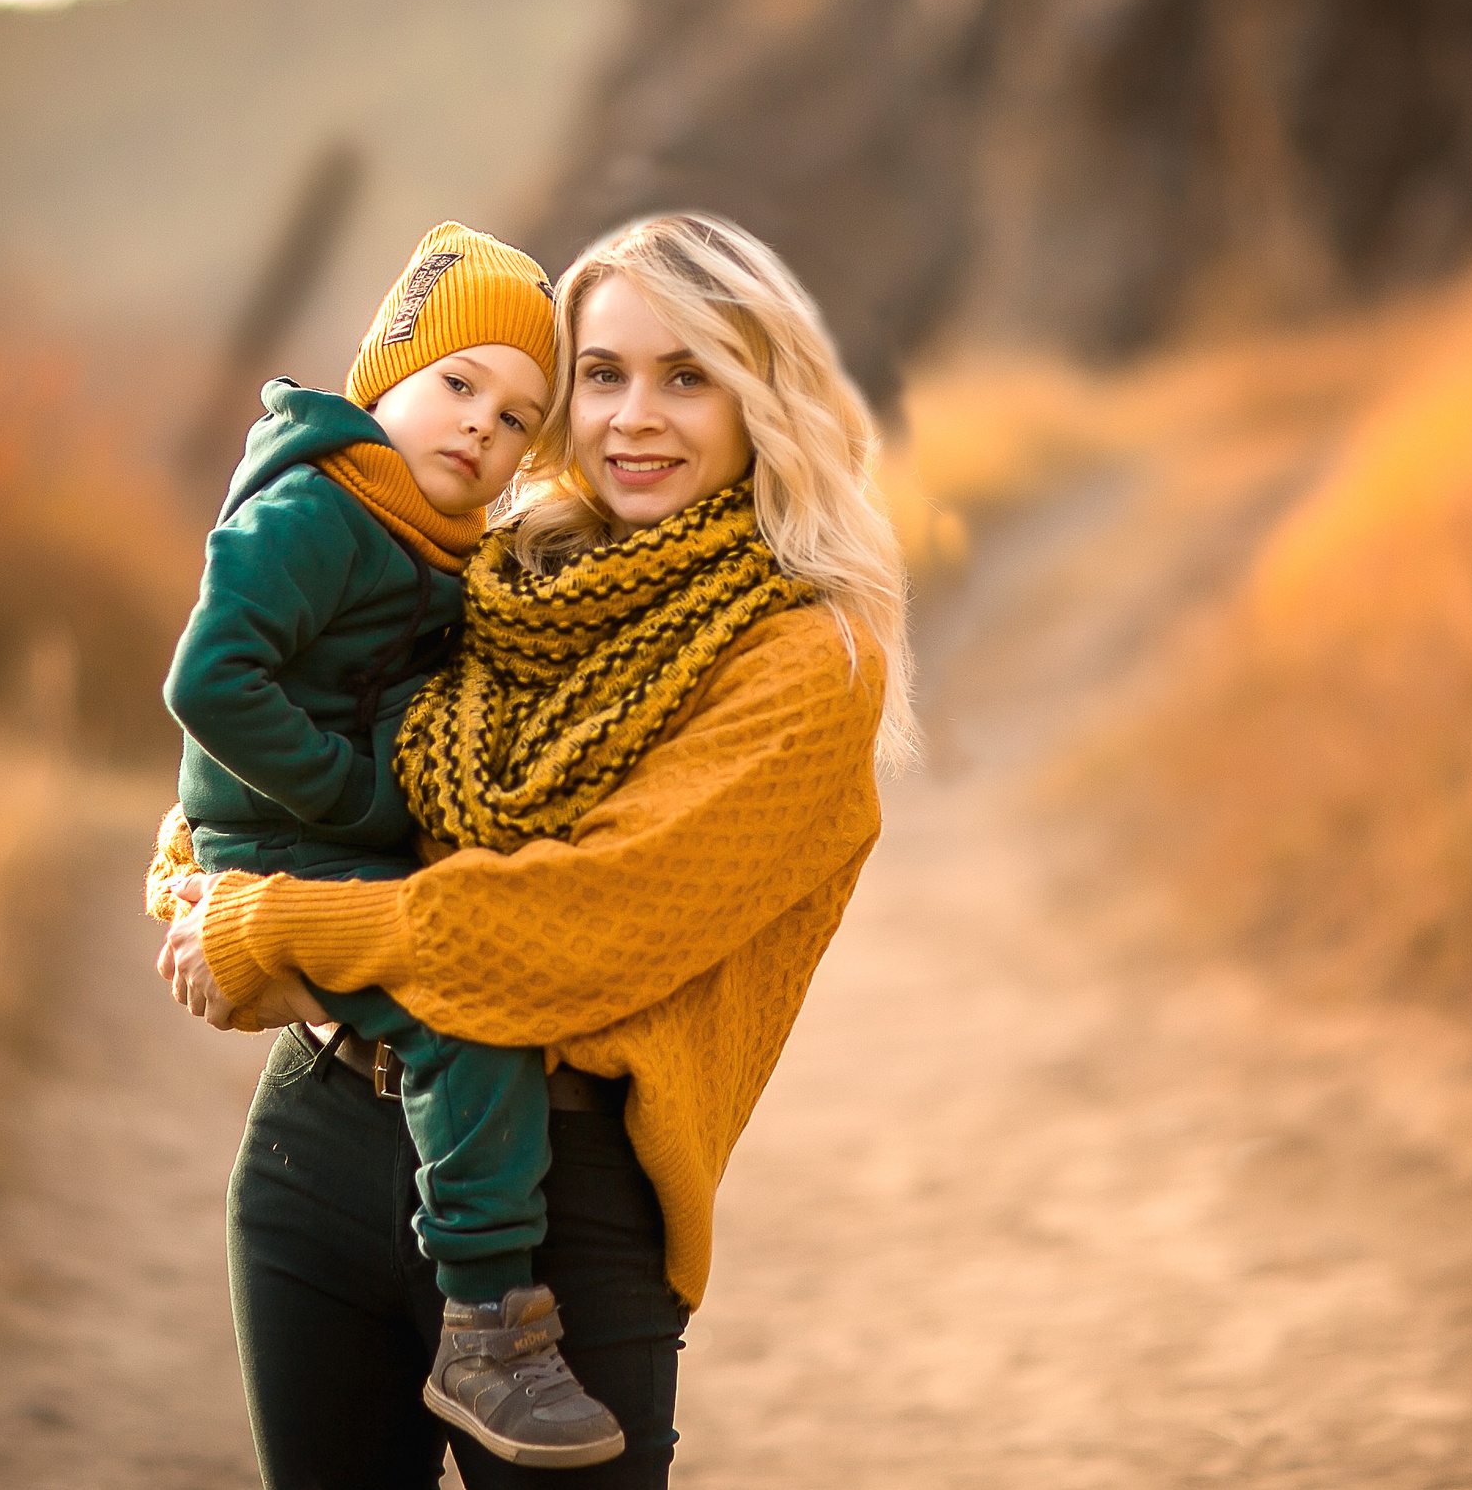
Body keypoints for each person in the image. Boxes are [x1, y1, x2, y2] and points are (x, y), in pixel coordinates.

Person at [154, 212, 916, 1489]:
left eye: (687, 376)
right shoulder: (503, 572)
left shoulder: (802, 660)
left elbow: (574, 925)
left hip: (566, 1212)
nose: (633, 417)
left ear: (761, 400)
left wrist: (274, 924)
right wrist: (198, 888)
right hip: (318, 1140)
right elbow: (275, 754)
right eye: (602, 374)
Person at [159, 220, 626, 1465]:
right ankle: (485, 1320)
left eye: (517, 418)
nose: (480, 427)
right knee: (460, 996)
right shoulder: (318, 508)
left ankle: (474, 1292)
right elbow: (208, 679)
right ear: (385, 376)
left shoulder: (419, 529)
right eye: (458, 384)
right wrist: (364, 802)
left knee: (456, 959)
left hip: (307, 832)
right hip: (289, 838)